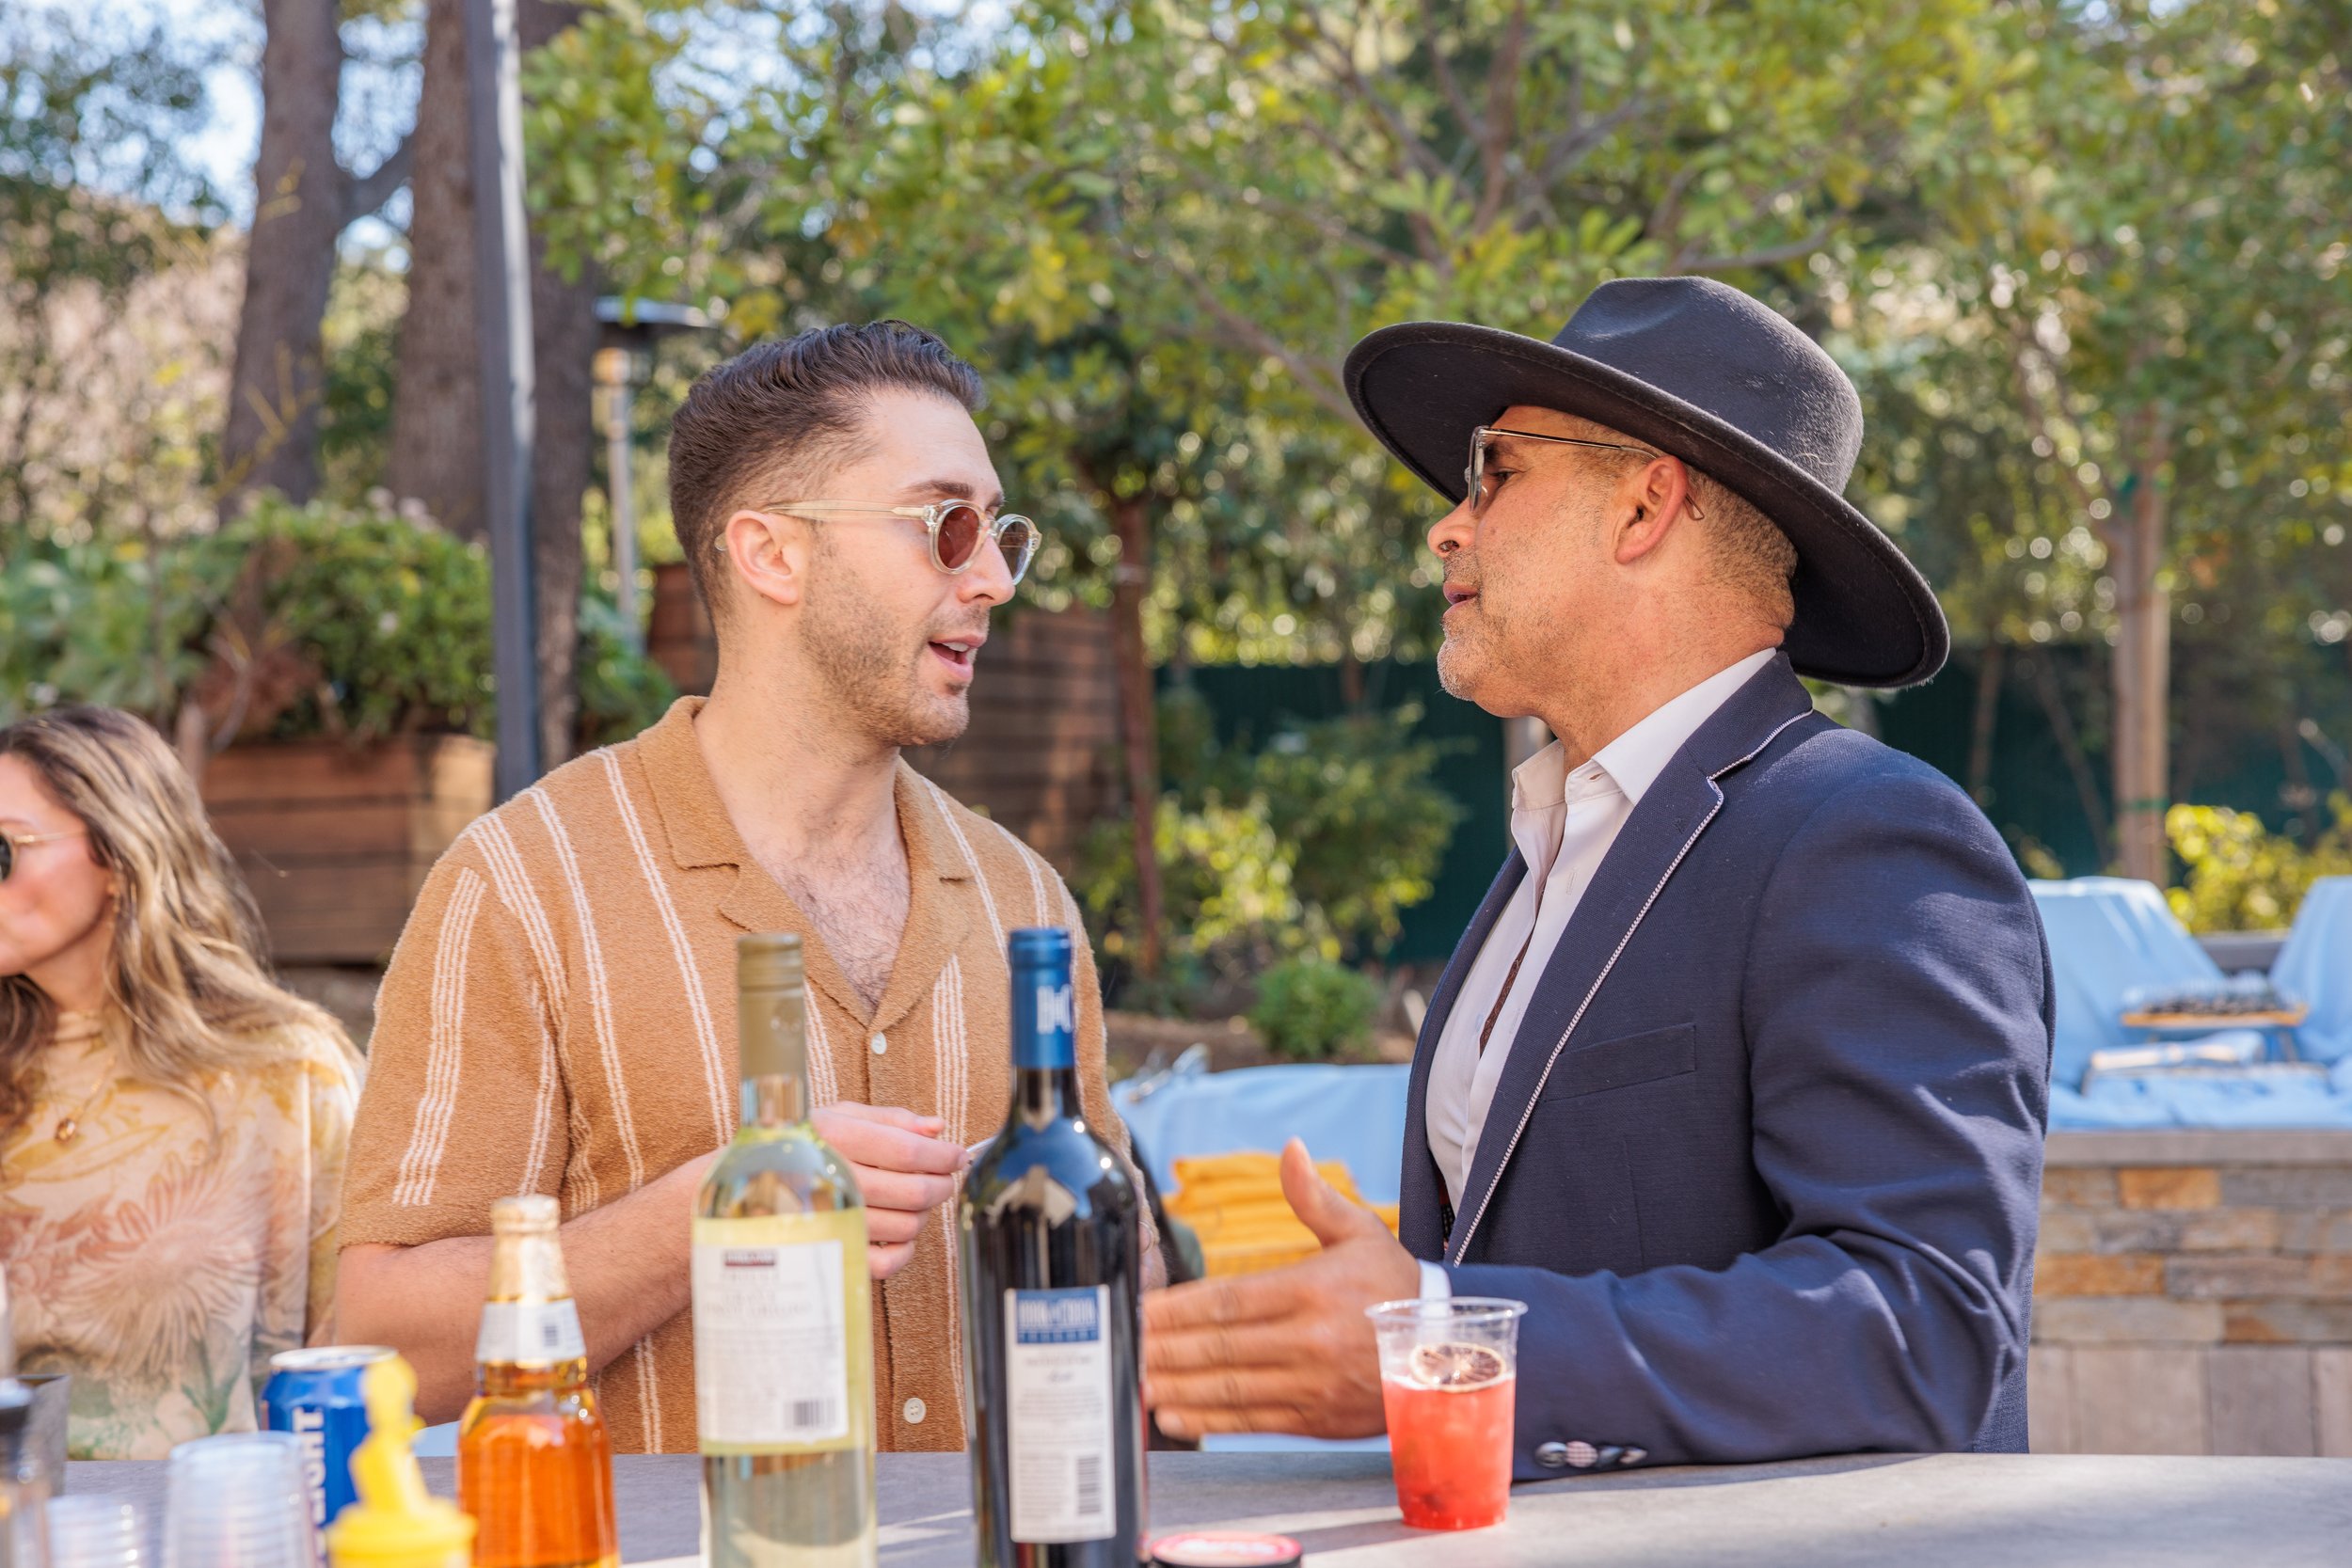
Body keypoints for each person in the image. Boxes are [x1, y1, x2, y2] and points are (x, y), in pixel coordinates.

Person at [1143, 277, 2052, 1470]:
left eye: (1497, 473)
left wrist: (1443, 1338)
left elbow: (1926, 1327)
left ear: (1642, 507)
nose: (1447, 525)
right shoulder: (1553, 848)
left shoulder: (1866, 836)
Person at [336, 320, 1160, 1453]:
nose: (992, 579)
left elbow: (1135, 1284)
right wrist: (724, 1205)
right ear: (771, 553)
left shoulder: (1028, 901)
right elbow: (383, 1340)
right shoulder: (525, 885)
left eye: (999, 532)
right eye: (946, 525)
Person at [0, 705, 362, 1459]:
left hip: (219, 1528)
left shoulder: (287, 1075)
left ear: (121, 858)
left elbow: (363, 1343)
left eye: (4, 848)